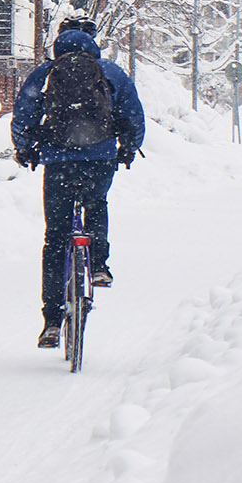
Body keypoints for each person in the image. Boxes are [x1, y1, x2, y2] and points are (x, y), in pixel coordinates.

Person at [12, 20, 145, 349]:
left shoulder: (45, 73)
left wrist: (25, 148)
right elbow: (133, 113)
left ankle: (52, 322)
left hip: (58, 161)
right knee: (96, 204)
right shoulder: (109, 71)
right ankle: (99, 265)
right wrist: (126, 148)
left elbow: (24, 112)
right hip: (99, 159)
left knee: (55, 239)